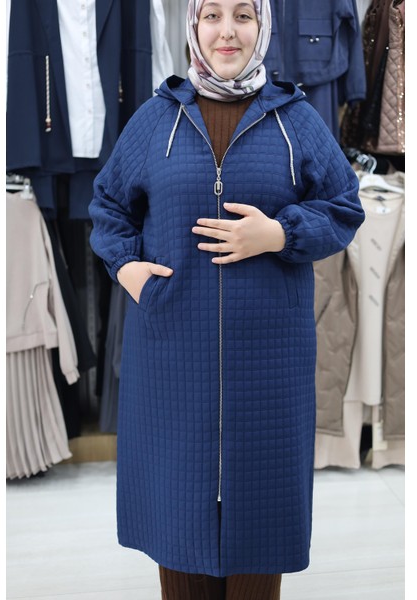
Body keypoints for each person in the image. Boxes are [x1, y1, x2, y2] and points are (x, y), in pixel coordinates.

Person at [88, 1, 365, 598]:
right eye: (211, 15)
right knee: (178, 530)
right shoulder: (156, 118)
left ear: (263, 25)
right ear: (193, 25)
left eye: (243, 14)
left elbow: (345, 207)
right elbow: (107, 204)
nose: (227, 31)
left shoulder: (295, 119)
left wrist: (279, 234)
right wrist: (127, 267)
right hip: (171, 357)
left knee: (258, 537)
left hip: (268, 363)